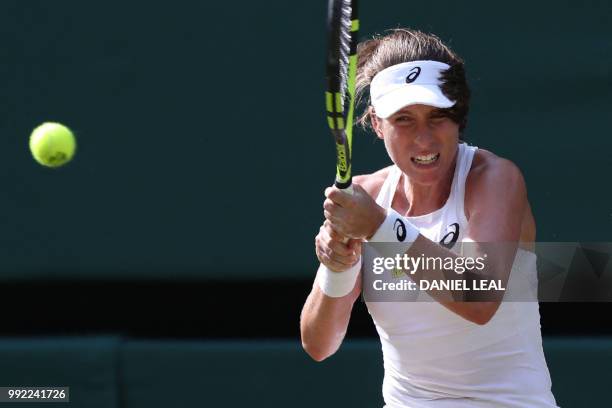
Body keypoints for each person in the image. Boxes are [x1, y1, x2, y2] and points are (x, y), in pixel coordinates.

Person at [300, 29, 558, 407]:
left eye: (438, 117)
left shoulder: (495, 179)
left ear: (458, 118)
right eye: (404, 119)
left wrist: (378, 227)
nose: (424, 140)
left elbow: (478, 297)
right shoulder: (366, 197)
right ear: (376, 123)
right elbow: (318, 344)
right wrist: (337, 267)